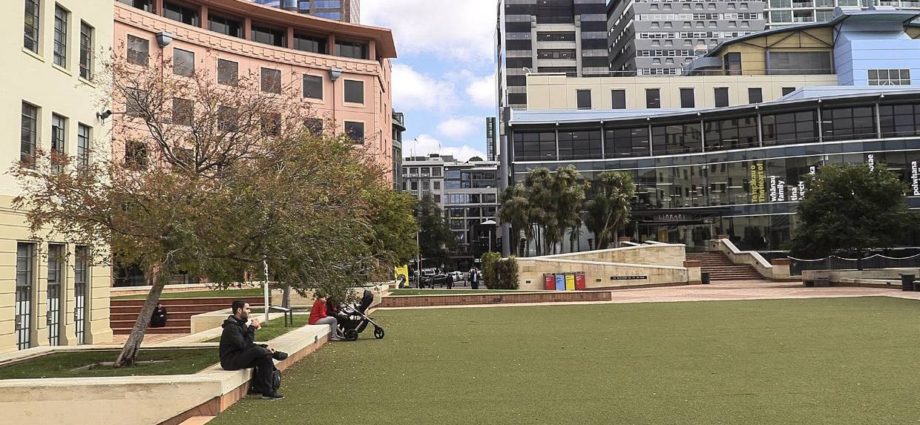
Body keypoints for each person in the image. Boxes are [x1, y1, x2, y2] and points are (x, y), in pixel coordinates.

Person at [219, 300, 287, 399]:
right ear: (239, 310)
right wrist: (251, 328)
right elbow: (244, 345)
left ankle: (266, 391)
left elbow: (248, 344)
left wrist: (264, 346)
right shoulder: (231, 327)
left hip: (239, 356)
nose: (249, 311)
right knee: (258, 351)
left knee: (265, 357)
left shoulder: (241, 325)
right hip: (230, 361)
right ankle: (274, 354)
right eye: (247, 309)